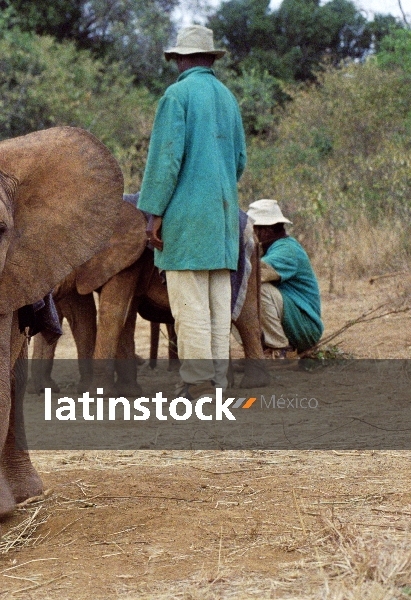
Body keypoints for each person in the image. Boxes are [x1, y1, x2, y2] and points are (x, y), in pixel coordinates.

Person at [137, 25, 247, 399]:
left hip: (186, 219)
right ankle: (218, 382)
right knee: (218, 302)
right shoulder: (228, 98)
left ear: (181, 59)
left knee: (190, 304)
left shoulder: (177, 95)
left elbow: (165, 161)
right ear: (210, 58)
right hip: (224, 218)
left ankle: (198, 382)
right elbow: (240, 162)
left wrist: (153, 213)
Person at [246, 199, 323, 357]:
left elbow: (253, 274)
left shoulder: (286, 250)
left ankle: (280, 350)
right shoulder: (270, 248)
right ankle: (260, 351)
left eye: (252, 229)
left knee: (255, 289)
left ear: (265, 230)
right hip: (294, 321)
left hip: (306, 326)